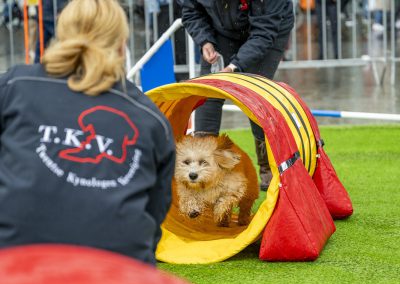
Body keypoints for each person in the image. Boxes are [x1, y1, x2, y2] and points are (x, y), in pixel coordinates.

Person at [0, 0, 175, 265]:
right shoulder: (152, 118)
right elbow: (155, 214)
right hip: (122, 272)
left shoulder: (15, 84)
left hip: (19, 261)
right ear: (120, 44)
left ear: (61, 34)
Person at [180, 0, 294, 191]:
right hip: (223, 30)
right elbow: (191, 10)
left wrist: (234, 67)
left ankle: (268, 166)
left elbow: (264, 33)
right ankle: (202, 169)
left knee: (255, 93)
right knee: (208, 93)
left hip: (269, 30)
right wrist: (205, 40)